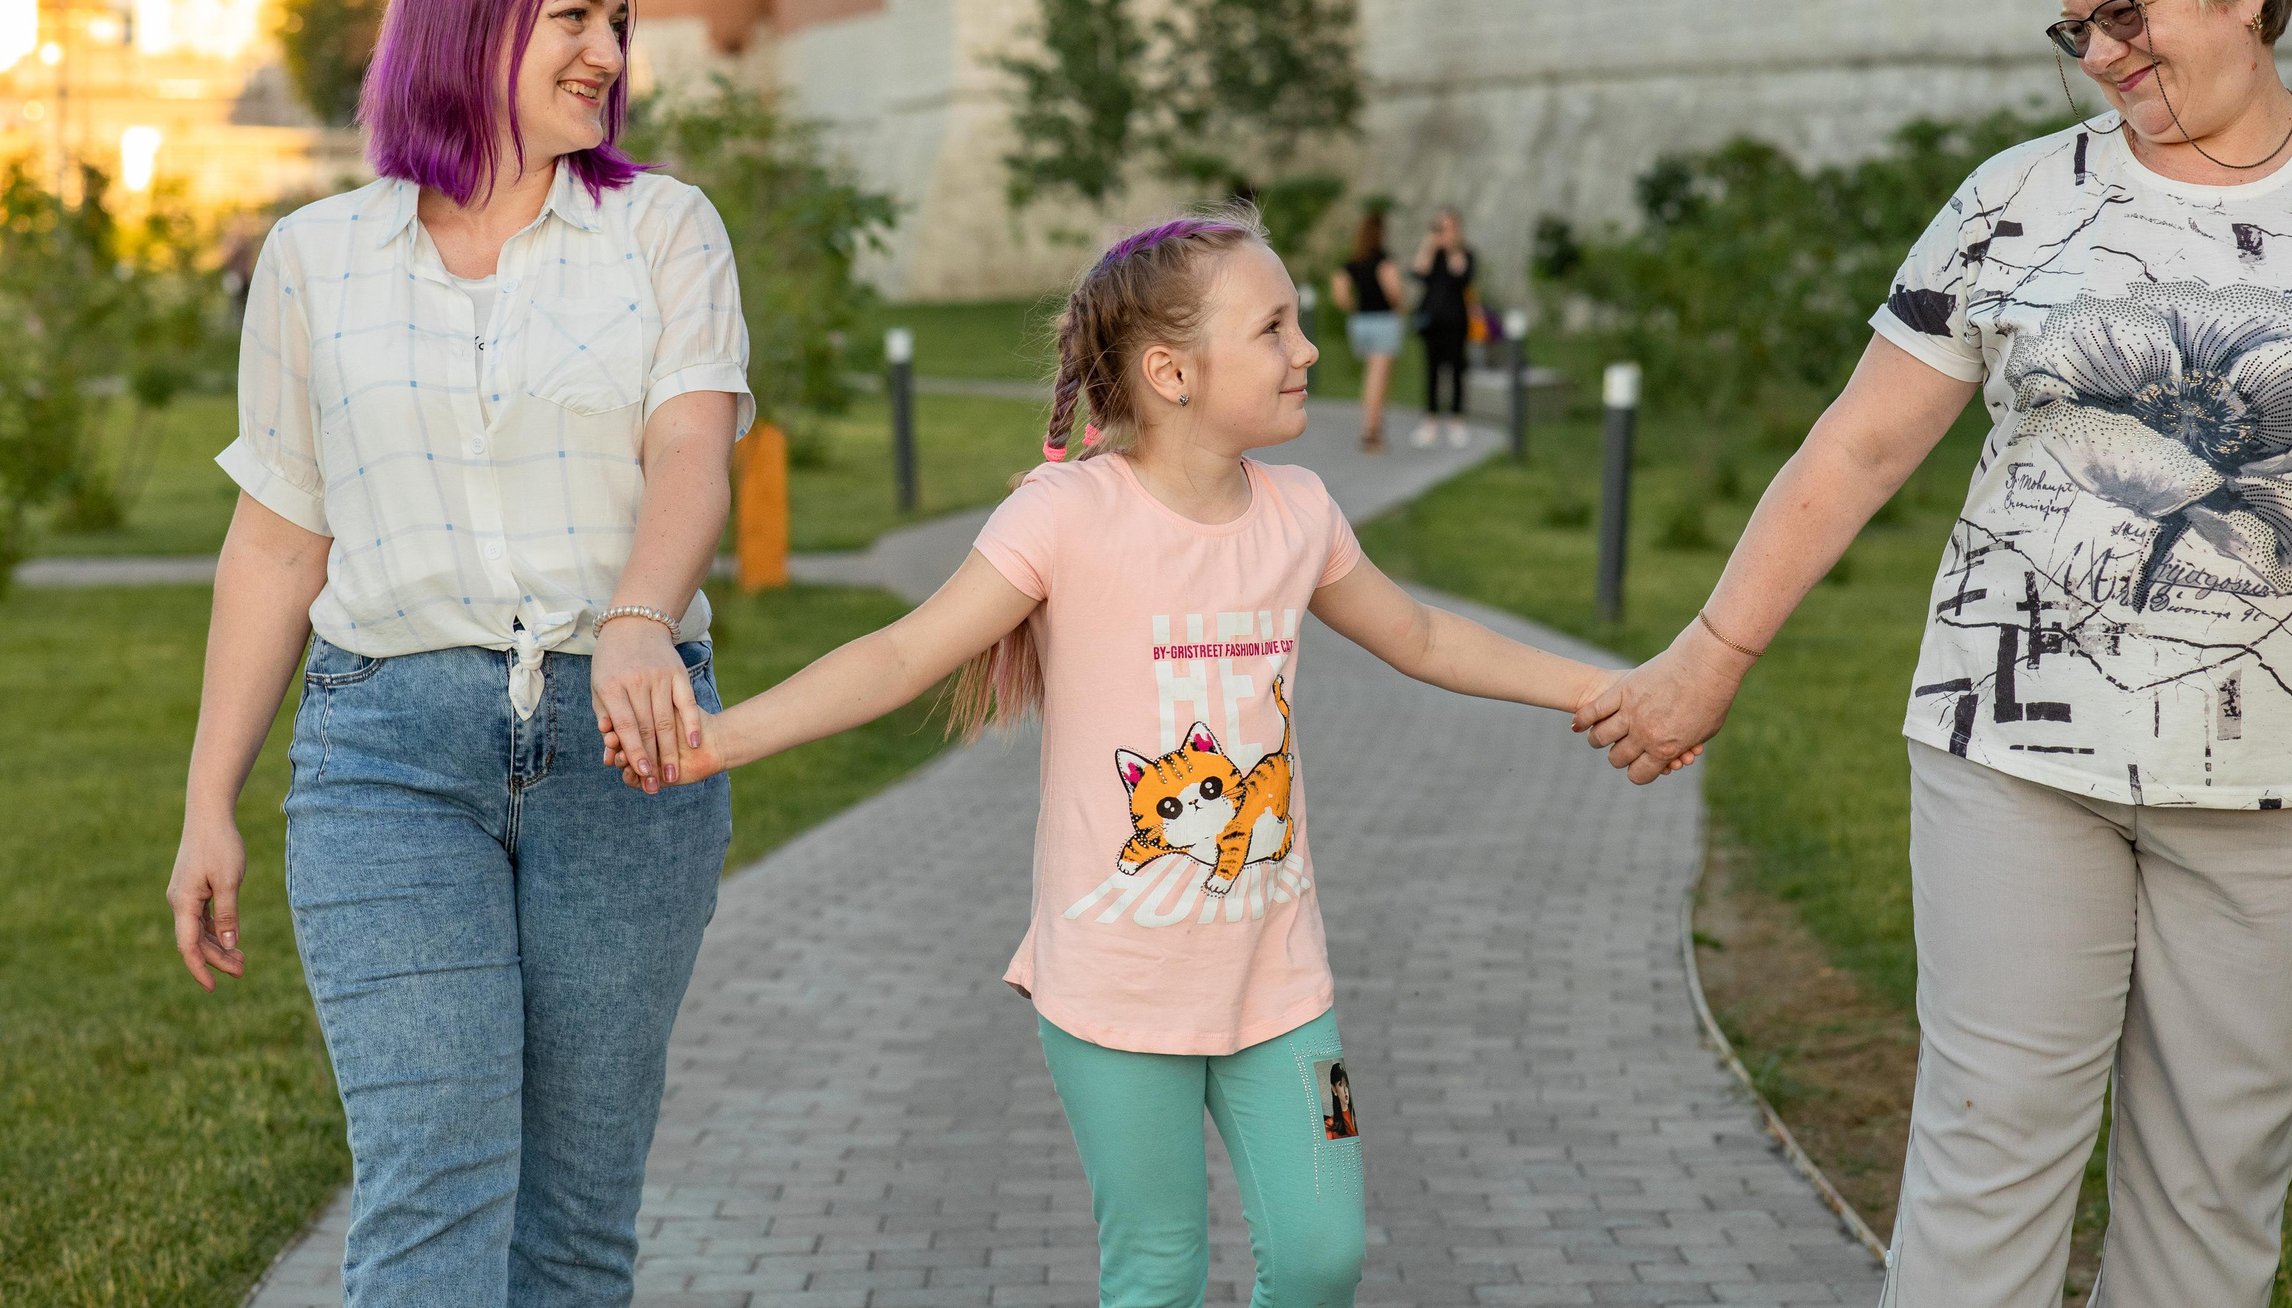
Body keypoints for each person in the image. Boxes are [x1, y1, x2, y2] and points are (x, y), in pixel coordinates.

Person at [1576, 0, 2292, 1307]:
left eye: (2127, 12)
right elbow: (1857, 445)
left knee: (2215, 1185)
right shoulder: (2014, 202)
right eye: (2077, 27)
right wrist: (1708, 656)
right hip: (2015, 752)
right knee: (1989, 1155)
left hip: (2286, 779)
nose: (2101, 55)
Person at [605, 208, 1618, 1306]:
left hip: (1281, 979)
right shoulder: (1067, 514)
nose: (1308, 349)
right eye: (1274, 328)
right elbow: (901, 654)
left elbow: (1421, 635)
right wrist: (718, 741)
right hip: (1112, 992)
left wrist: (1602, 689)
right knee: (1158, 1273)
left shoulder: (1303, 512)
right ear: (1171, 373)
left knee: (1324, 1256)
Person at [164, 0, 753, 1305]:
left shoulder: (662, 229)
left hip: (628, 750)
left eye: (618, 22)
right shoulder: (315, 259)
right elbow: (276, 541)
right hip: (387, 756)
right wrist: (207, 799)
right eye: (575, 17)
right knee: (432, 1181)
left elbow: (692, 447)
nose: (609, 51)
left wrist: (637, 618)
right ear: (470, 24)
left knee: (574, 1218)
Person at [1330, 208, 1405, 453]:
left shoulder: (1352, 262)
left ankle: (1372, 428)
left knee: (1370, 376)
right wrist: (1399, 307)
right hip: (1383, 321)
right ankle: (1371, 432)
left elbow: (1339, 294)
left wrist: (1356, 306)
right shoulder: (1384, 260)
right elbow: (1394, 291)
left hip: (1359, 322)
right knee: (1378, 379)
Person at [1409, 206, 1474, 448]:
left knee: (1456, 371)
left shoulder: (1464, 254)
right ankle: (1431, 420)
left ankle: (1457, 420)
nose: (1442, 233)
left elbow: (1462, 273)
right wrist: (1429, 244)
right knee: (1432, 372)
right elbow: (1418, 271)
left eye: (1446, 228)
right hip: (1432, 322)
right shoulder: (1432, 254)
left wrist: (1453, 247)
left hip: (1456, 321)